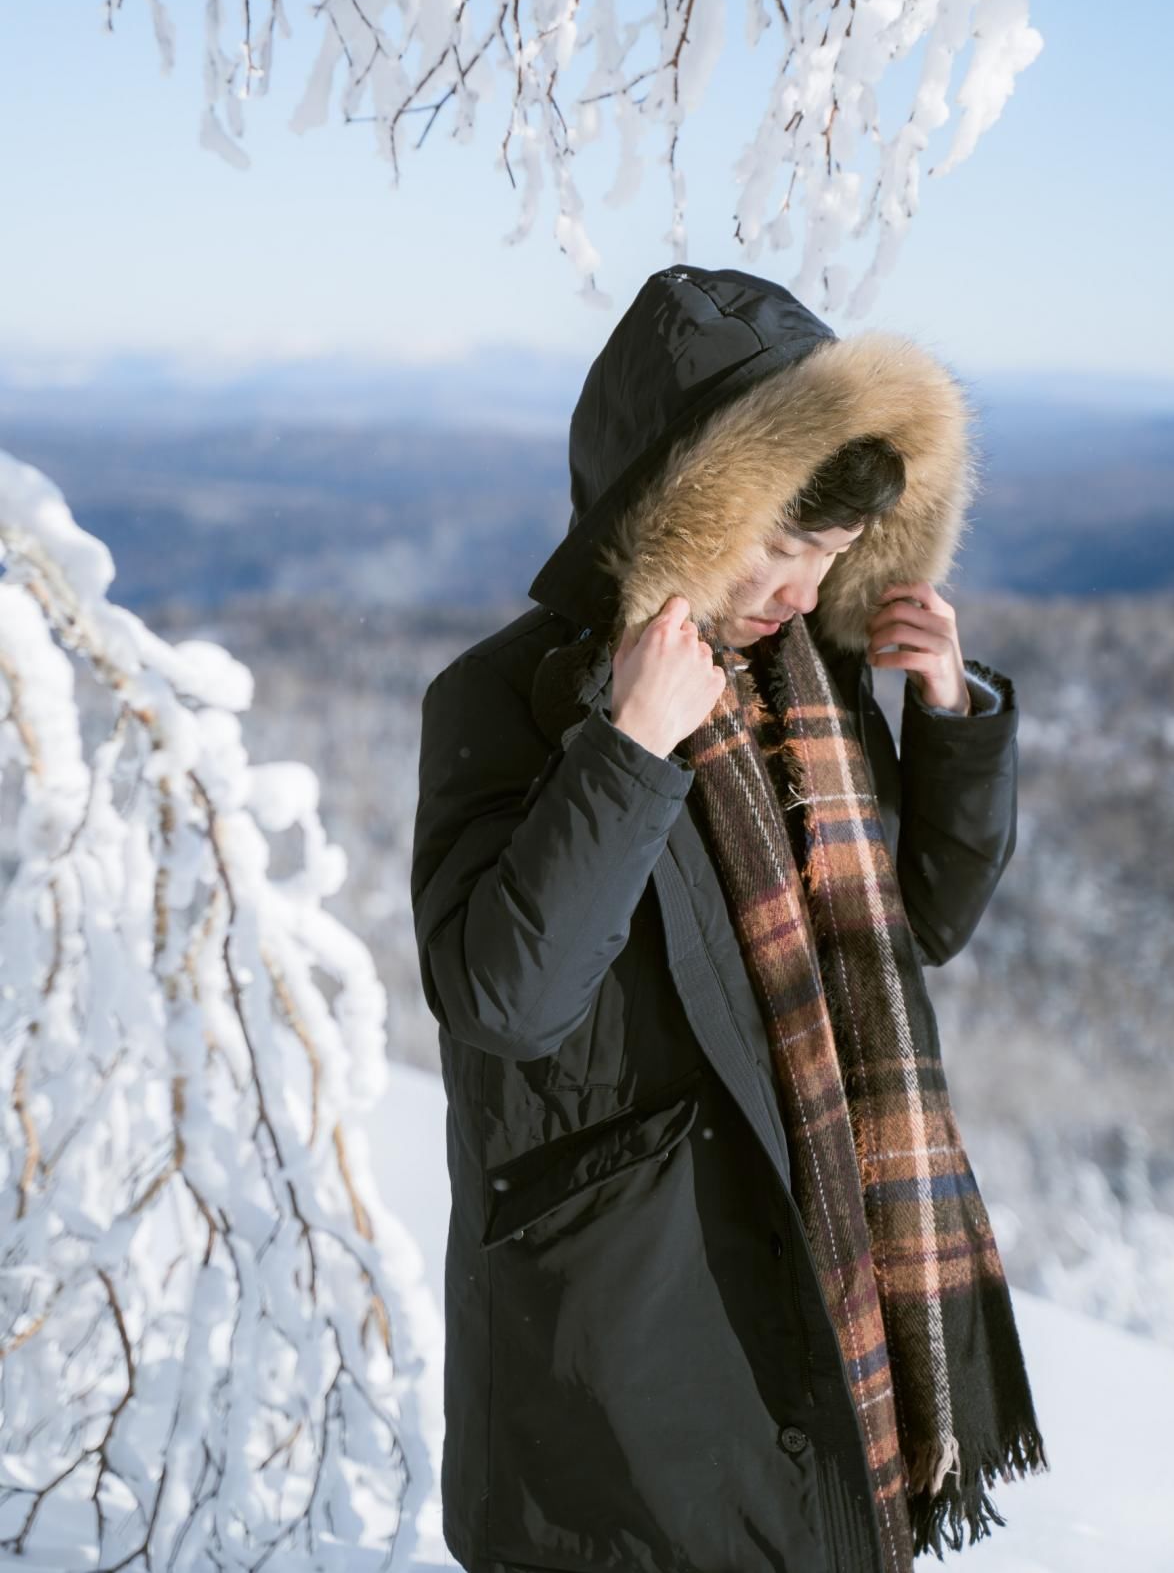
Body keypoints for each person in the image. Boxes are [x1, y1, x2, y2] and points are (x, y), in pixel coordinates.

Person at [410, 265, 1048, 1573]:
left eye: (828, 557)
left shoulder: (796, 687)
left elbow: (915, 926)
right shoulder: (509, 699)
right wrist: (627, 749)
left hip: (814, 1308)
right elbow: (505, 995)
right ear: (681, 502)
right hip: (626, 1374)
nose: (803, 592)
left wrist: (949, 724)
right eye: (777, 545)